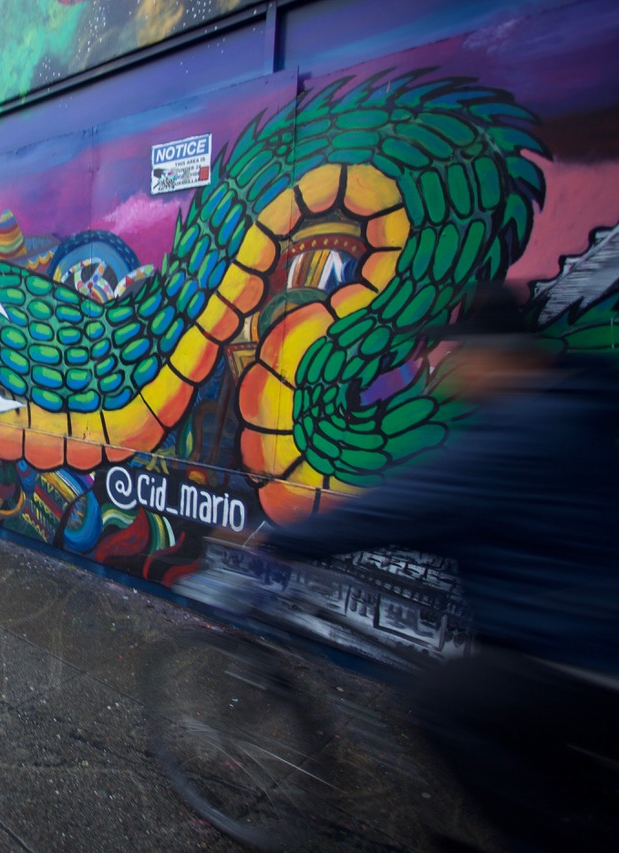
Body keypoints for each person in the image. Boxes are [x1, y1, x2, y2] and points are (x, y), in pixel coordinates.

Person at [261, 283, 619, 850]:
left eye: (466, 357)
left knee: (445, 702)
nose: (456, 372)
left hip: (585, 657)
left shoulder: (521, 435)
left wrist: (283, 541)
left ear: (500, 357)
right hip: (585, 642)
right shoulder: (584, 404)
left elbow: (405, 506)